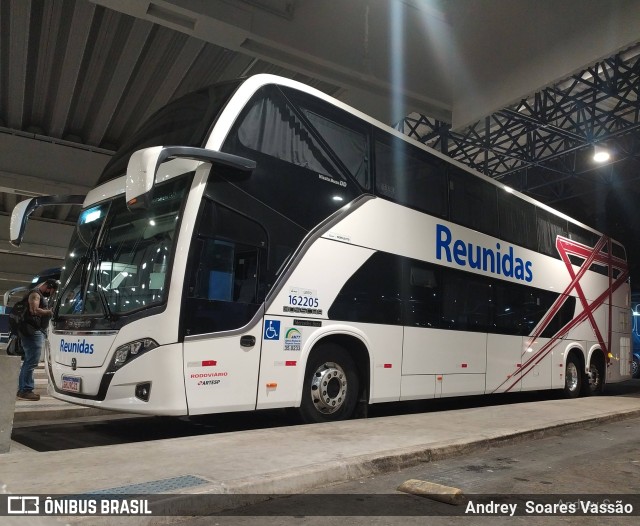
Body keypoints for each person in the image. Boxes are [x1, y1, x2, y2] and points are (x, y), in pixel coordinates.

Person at [16, 279, 58, 401]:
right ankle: (25, 390)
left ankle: (24, 388)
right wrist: (50, 312)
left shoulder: (36, 294)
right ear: (48, 286)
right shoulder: (35, 294)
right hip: (32, 332)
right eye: (50, 291)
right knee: (31, 361)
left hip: (33, 331)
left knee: (30, 361)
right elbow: (33, 310)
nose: (50, 294)